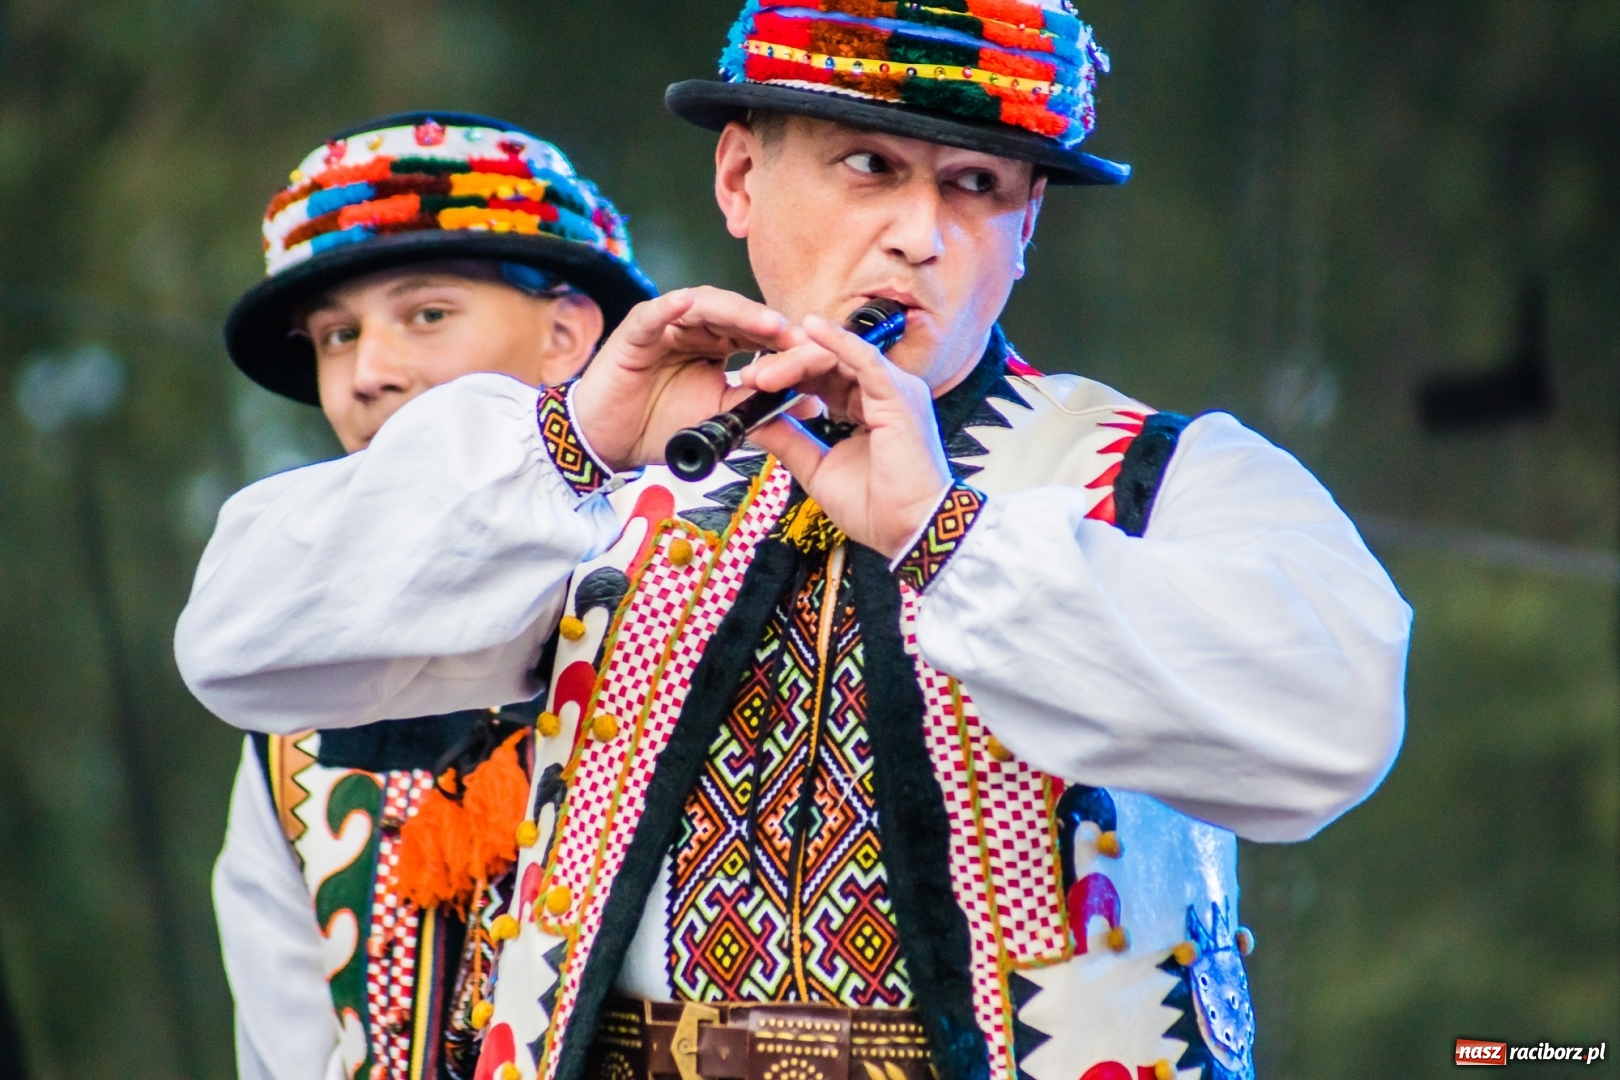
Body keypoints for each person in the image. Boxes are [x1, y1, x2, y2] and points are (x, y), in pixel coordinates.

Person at [179, 8, 1412, 1080]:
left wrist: (945, 536)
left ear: (1032, 221)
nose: (921, 235)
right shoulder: (588, 477)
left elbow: (1333, 729)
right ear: (738, 180)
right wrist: (575, 445)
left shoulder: (1161, 475)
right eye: (867, 166)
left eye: (977, 185)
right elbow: (240, 649)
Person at [200, 111, 656, 1080]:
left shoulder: (705, 599)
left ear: (569, 334)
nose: (369, 373)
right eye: (334, 336)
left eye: (427, 314)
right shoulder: (292, 716)